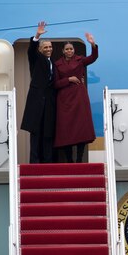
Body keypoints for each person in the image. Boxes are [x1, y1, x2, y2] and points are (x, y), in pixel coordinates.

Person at [53, 33, 99, 163]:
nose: (69, 51)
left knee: (81, 129)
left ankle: (79, 159)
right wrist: (68, 79)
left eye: (71, 49)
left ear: (74, 50)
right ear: (63, 51)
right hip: (64, 100)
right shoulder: (57, 64)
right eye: (67, 49)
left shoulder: (80, 60)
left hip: (79, 98)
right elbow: (55, 84)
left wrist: (92, 44)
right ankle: (70, 160)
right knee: (66, 129)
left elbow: (94, 57)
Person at [21, 21, 57, 163]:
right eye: (46, 47)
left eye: (50, 47)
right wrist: (37, 36)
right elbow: (31, 50)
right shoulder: (36, 59)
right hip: (36, 102)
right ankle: (34, 162)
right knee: (35, 133)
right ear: (41, 49)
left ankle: (47, 161)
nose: (48, 49)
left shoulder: (52, 62)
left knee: (47, 133)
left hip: (48, 103)